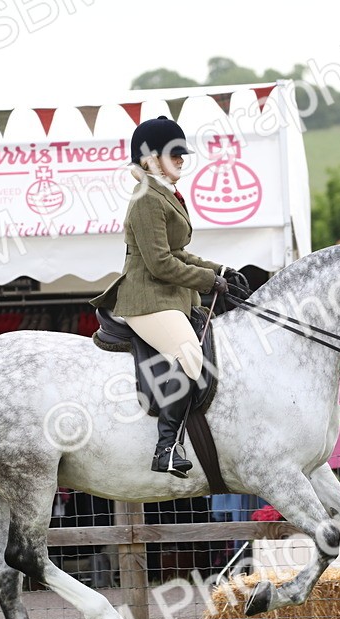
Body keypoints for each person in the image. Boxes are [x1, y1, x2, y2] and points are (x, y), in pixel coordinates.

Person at [91, 116, 240, 478]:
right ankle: (167, 448)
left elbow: (179, 253)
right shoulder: (145, 198)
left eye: (181, 153)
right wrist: (207, 280)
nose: (182, 159)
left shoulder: (164, 193)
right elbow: (159, 264)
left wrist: (220, 271)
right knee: (191, 358)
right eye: (174, 153)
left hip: (171, 297)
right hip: (148, 298)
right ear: (150, 159)